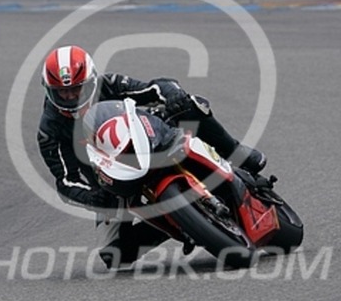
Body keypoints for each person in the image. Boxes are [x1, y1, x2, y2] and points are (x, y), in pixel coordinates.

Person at [37, 45, 266, 268]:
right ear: (49, 91)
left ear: (91, 81)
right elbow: (66, 181)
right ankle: (178, 224)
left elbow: (155, 87)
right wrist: (91, 197)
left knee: (188, 105)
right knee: (113, 255)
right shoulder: (49, 131)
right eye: (62, 92)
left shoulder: (109, 83)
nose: (71, 97)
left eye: (77, 89)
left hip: (148, 139)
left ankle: (236, 152)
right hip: (110, 180)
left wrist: (172, 94)